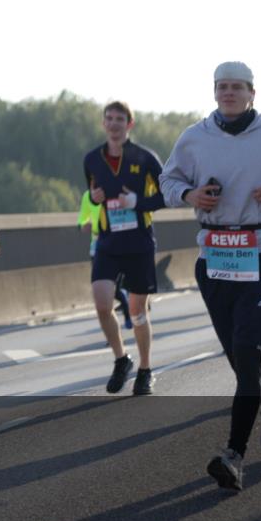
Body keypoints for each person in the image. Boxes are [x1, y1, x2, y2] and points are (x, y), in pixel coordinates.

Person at [160, 61, 261, 491]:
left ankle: (233, 455)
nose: (228, 93)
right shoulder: (194, 137)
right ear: (214, 92)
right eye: (222, 86)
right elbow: (167, 182)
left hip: (256, 254)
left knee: (247, 356)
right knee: (235, 356)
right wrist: (190, 193)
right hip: (212, 257)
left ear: (251, 93)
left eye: (237, 87)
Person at [83, 101, 167, 395]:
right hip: (108, 242)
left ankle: (145, 369)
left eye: (120, 119)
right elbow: (93, 194)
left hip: (139, 242)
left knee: (137, 310)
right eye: (109, 118)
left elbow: (167, 195)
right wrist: (94, 198)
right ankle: (121, 359)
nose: (114, 123)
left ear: (129, 124)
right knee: (102, 303)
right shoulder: (92, 159)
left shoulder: (145, 158)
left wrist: (137, 202)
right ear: (103, 123)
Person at [78, 189, 133, 330]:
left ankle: (128, 313)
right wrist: (85, 226)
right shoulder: (87, 195)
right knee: (104, 289)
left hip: (118, 241)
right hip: (97, 244)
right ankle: (121, 315)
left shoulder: (116, 188)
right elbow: (81, 221)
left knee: (116, 287)